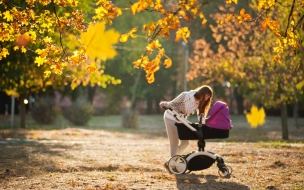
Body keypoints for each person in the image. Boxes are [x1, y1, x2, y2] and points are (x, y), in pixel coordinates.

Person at [159, 85, 213, 171]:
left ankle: (171, 162)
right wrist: (165, 103)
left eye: (208, 98)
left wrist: (204, 121)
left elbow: (201, 116)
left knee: (185, 142)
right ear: (202, 93)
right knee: (174, 142)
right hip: (171, 117)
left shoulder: (200, 103)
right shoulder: (186, 95)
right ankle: (172, 165)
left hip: (182, 119)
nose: (206, 99)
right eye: (206, 96)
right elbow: (172, 103)